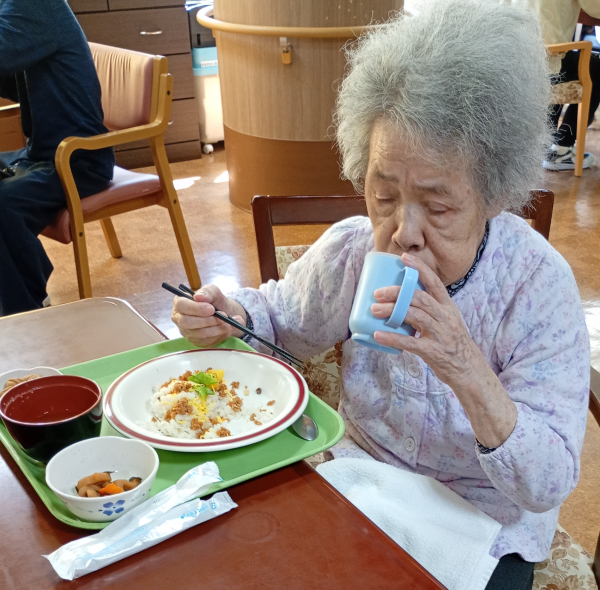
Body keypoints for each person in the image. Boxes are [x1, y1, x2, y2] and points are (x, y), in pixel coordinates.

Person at [171, 1, 590, 588]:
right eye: (384, 196)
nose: (402, 232)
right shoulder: (353, 252)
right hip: (361, 484)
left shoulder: (537, 286)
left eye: (437, 206)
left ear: (495, 194)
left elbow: (546, 482)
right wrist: (228, 313)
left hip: (484, 523)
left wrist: (464, 365)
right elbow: (279, 319)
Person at [0, 0, 114, 316]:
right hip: (42, 153)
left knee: (2, 204)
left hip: (78, 160)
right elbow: (10, 78)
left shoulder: (36, 4)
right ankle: (23, 285)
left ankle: (27, 309)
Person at [514, 0, 600, 170]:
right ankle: (562, 148)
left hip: (515, 59)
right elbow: (596, 9)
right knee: (595, 67)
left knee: (564, 56)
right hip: (549, 61)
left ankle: (544, 144)